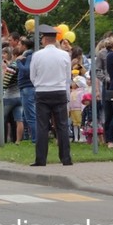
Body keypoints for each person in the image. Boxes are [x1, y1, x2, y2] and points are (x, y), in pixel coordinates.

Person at [29, 24, 73, 167]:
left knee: (42, 126)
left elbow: (32, 77)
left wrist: (41, 84)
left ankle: (40, 159)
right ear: (54, 40)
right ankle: (66, 158)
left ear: (44, 40)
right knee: (62, 126)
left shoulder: (37, 55)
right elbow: (67, 77)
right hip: (59, 91)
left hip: (42, 92)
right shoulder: (65, 55)